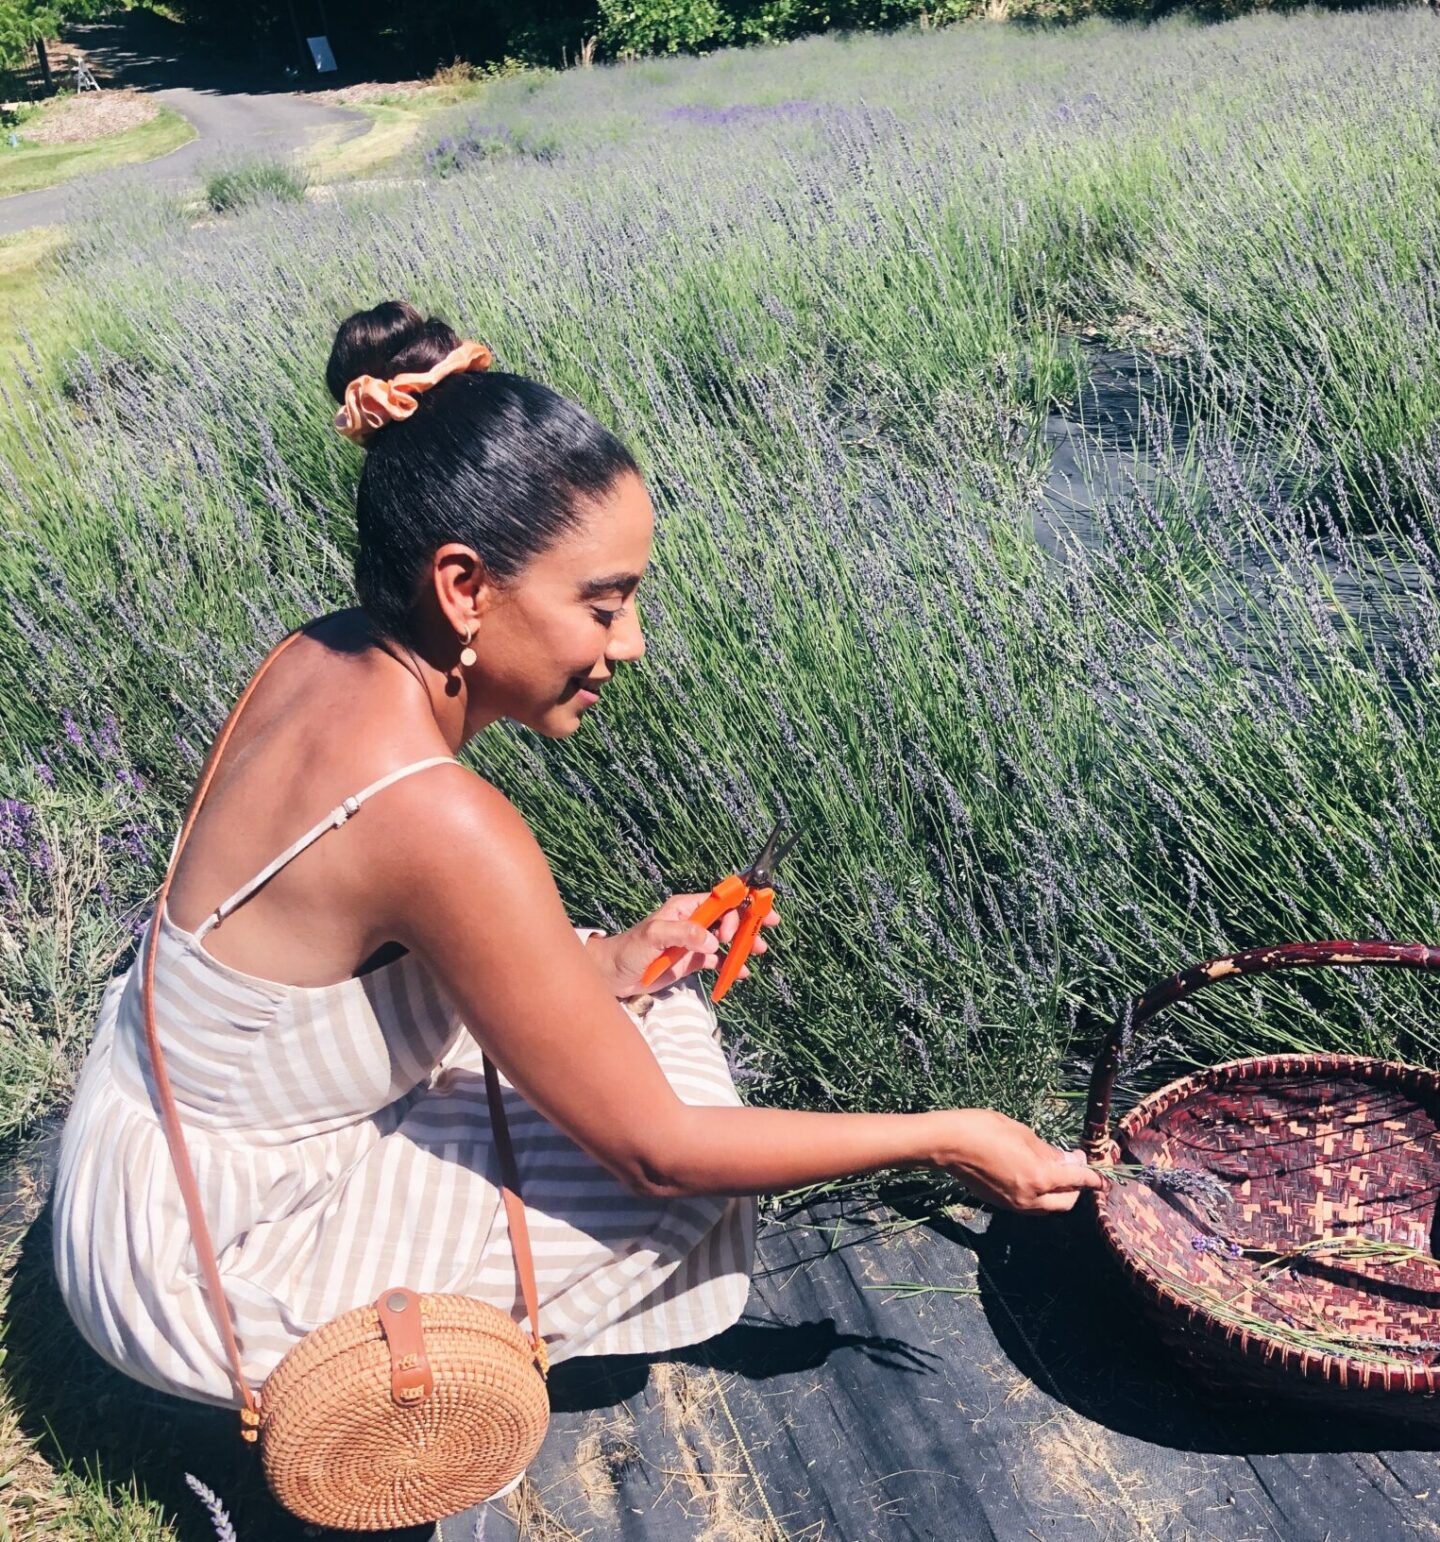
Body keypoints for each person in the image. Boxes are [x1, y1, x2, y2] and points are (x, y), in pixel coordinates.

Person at [50, 299, 1101, 1533]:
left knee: (648, 1012)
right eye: (604, 604)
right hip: (195, 1265)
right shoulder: (441, 821)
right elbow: (657, 1153)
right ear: (463, 588)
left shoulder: (321, 650)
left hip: (146, 1139)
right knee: (688, 1165)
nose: (632, 644)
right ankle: (413, 1435)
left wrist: (606, 960)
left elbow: (353, 953)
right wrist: (952, 1134)